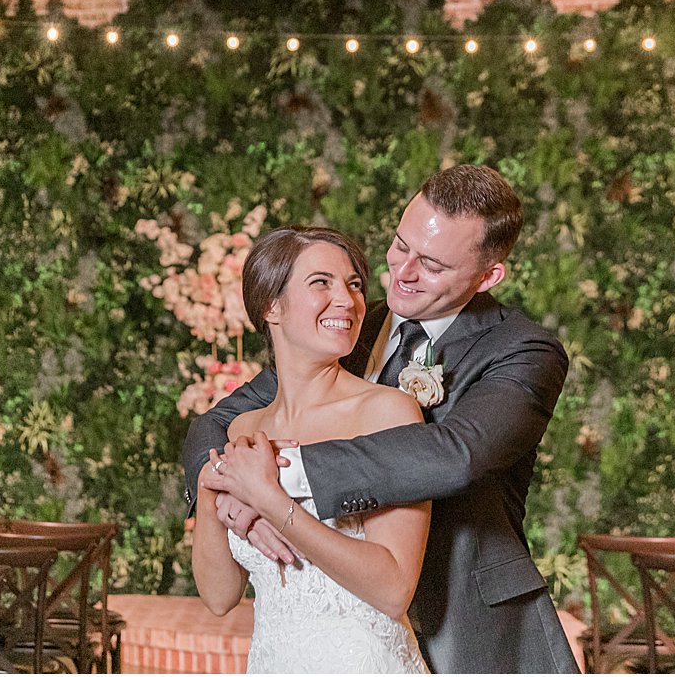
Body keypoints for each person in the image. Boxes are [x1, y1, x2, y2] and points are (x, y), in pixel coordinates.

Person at [185, 165, 579, 674]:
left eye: (432, 265)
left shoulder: (523, 351)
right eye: (400, 245)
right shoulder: (349, 325)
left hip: (466, 625)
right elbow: (215, 425)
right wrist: (219, 483)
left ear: (488, 276)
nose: (402, 272)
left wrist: (272, 483)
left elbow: (454, 454)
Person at [191, 226, 430, 673]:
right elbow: (219, 597)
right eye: (321, 282)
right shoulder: (244, 429)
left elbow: (394, 589)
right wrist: (209, 496)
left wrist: (271, 500)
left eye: (354, 284)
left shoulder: (388, 412)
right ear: (271, 307)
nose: (347, 300)